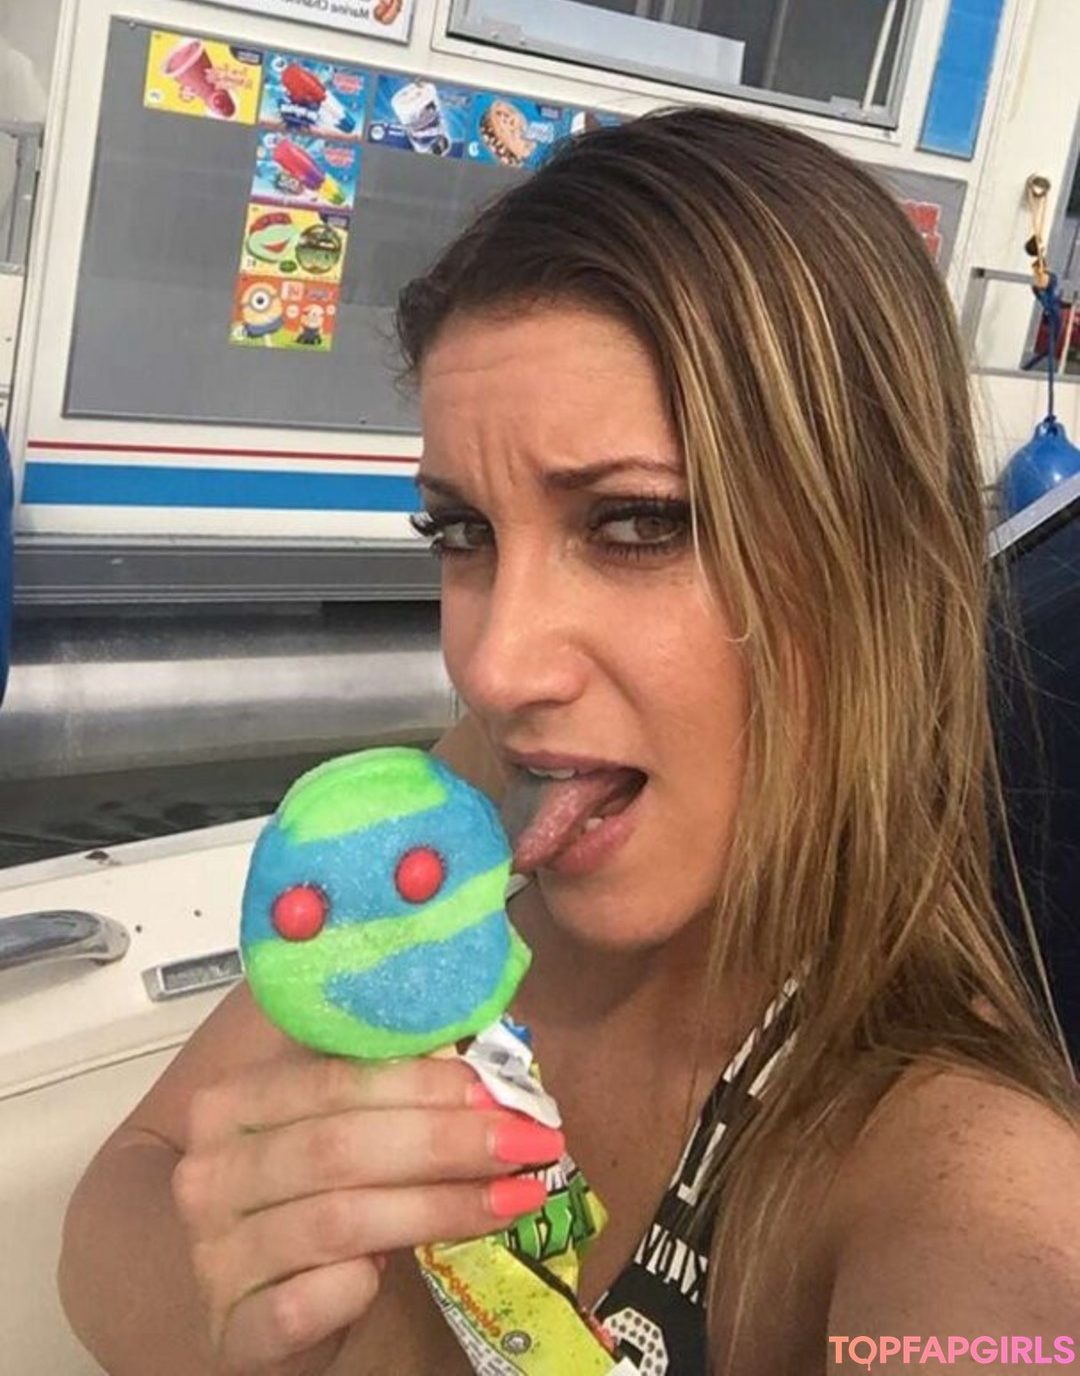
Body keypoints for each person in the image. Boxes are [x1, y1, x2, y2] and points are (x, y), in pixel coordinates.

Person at [59, 109, 1080, 1375]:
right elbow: (123, 1192)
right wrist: (259, 1323)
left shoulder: (965, 1186)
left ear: (878, 568)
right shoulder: (480, 814)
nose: (494, 665)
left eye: (636, 523)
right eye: (463, 532)